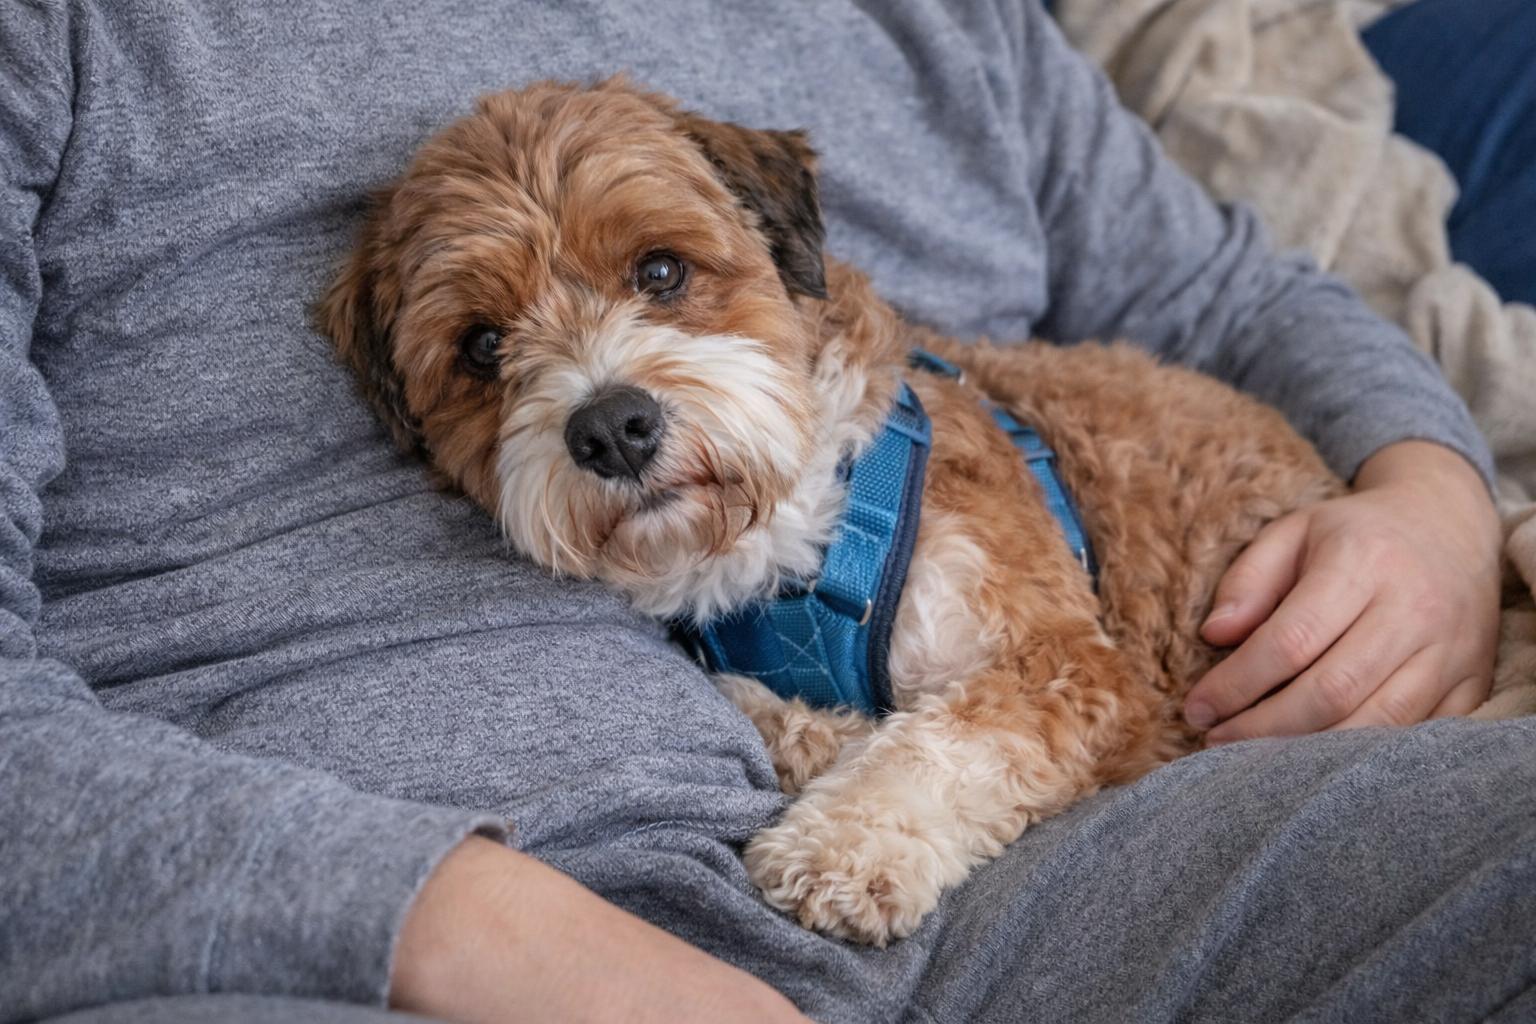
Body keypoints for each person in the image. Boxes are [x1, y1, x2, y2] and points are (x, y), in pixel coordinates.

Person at [0, 2, 1527, 1023]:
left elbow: (1237, 291)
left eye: (661, 274)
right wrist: (462, 929)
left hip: (1084, 855)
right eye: (481, 350)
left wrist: (1432, 491)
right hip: (380, 944)